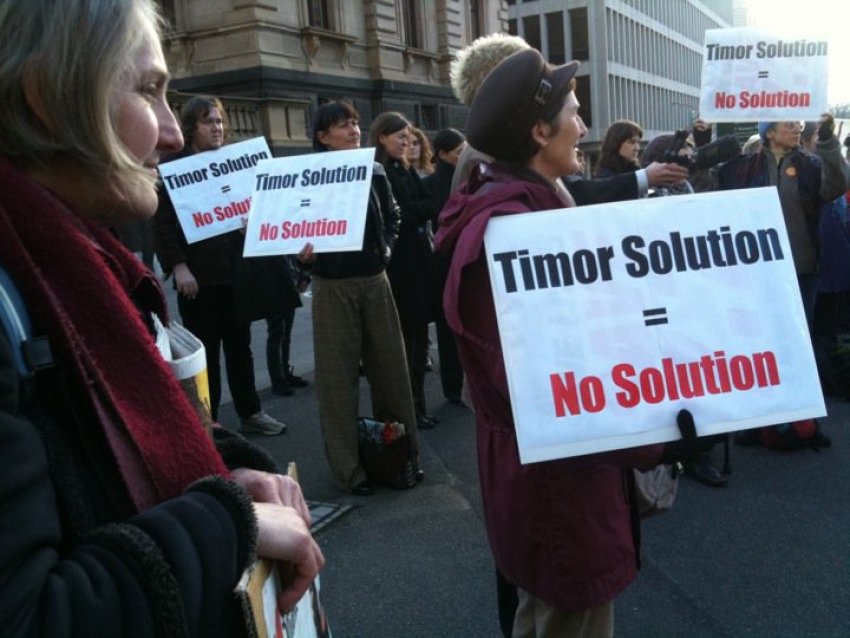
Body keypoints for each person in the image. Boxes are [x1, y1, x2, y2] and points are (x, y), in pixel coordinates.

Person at [0, 1, 324, 635]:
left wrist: (223, 469)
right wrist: (229, 521)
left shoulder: (81, 263)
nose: (172, 132)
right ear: (48, 98)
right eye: (149, 90)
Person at [434, 48, 696, 637]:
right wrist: (652, 441)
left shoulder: (537, 205)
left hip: (564, 483)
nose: (583, 127)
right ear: (537, 130)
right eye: (574, 114)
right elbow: (550, 393)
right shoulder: (511, 233)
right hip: (557, 491)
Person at [297, 100, 422, 495]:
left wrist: (385, 248)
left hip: (374, 281)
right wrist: (302, 256)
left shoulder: (375, 169)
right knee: (337, 382)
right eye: (342, 125)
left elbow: (394, 215)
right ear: (322, 137)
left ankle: (403, 458)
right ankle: (350, 472)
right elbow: (293, 226)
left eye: (354, 122)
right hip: (332, 287)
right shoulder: (306, 175)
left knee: (392, 374)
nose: (353, 130)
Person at [154, 96, 287, 435]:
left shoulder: (233, 163)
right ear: (191, 127)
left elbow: (259, 208)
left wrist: (251, 222)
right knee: (206, 356)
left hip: (234, 276)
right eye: (208, 122)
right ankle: (207, 425)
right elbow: (162, 223)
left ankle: (250, 413)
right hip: (199, 280)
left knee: (241, 350)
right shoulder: (174, 167)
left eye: (219, 121)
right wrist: (180, 266)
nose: (217, 127)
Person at [719, 115, 847, 449]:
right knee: (759, 350)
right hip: (754, 273)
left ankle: (803, 421)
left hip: (800, 271)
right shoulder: (742, 168)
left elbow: (836, 187)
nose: (797, 127)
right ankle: (758, 423)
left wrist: (830, 142)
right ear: (769, 132)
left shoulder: (811, 165)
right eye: (788, 123)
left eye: (799, 122)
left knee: (796, 349)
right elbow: (713, 195)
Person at [369, 111, 440, 429]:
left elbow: (423, 205)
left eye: (409, 137)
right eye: (400, 136)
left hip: (418, 263)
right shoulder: (381, 173)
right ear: (383, 137)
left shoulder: (405, 170)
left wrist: (422, 209)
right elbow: (405, 214)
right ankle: (409, 410)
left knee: (417, 342)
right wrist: (423, 209)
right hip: (400, 269)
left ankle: (418, 407)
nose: (406, 142)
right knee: (405, 344)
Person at [423, 128, 467, 405]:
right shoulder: (431, 185)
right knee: (448, 330)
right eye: (459, 153)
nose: (464, 157)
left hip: (464, 261)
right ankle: (453, 387)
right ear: (442, 155)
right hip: (443, 265)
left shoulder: (469, 180)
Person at [266, 256, 310, 397]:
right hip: (273, 282)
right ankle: (278, 379)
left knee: (284, 333)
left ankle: (284, 373)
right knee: (277, 333)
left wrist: (304, 276)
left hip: (289, 281)